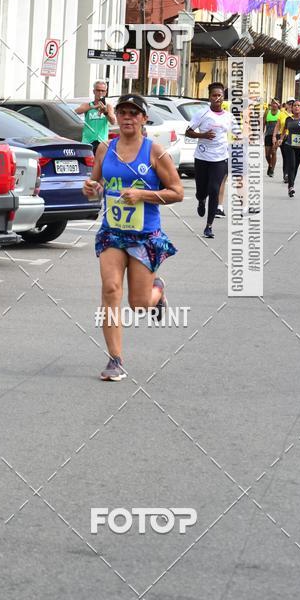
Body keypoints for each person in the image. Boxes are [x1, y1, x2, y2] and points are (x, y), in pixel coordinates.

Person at [82, 93, 183, 381]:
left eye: (134, 113)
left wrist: (142, 194)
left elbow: (177, 192)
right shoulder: (105, 149)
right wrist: (90, 189)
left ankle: (157, 291)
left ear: (144, 119)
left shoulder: (155, 152)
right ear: (116, 117)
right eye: (123, 112)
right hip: (112, 233)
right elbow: (96, 183)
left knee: (138, 304)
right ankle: (115, 359)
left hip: (144, 236)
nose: (127, 118)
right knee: (110, 290)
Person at [185, 83, 233, 239]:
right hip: (202, 157)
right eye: (214, 95)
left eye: (220, 95)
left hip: (220, 158)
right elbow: (188, 132)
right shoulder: (202, 114)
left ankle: (209, 226)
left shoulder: (229, 116)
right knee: (201, 190)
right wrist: (203, 136)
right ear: (210, 97)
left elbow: (237, 134)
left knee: (214, 189)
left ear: (223, 97)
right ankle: (200, 200)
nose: (217, 98)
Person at [277, 100, 300, 197]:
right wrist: (281, 139)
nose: (296, 107)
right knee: (292, 165)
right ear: (292, 108)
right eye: (294, 105)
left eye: (298, 105)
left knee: (296, 167)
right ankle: (291, 187)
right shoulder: (288, 119)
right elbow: (284, 130)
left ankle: (291, 184)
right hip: (289, 145)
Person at [75, 80, 116, 155]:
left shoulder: (108, 106)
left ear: (105, 92)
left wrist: (105, 112)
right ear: (94, 91)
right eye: (98, 90)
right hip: (88, 141)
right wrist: (93, 107)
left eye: (102, 91)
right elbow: (76, 111)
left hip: (102, 141)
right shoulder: (88, 105)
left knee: (100, 164)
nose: (100, 93)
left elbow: (113, 121)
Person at [277, 99, 294, 182]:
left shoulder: (297, 115)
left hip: (293, 137)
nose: (291, 105)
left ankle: (290, 174)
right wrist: (275, 136)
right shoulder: (282, 114)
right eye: (289, 103)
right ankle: (286, 174)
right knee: (285, 157)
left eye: (293, 104)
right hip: (284, 137)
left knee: (291, 158)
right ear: (286, 105)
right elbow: (278, 126)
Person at [263, 99, 280, 177]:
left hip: (276, 135)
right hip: (268, 135)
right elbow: (263, 124)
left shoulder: (280, 113)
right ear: (271, 104)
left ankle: (272, 170)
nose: (274, 105)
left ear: (278, 104)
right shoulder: (267, 112)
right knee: (267, 154)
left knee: (273, 152)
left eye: (276, 103)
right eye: (273, 103)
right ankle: (270, 164)